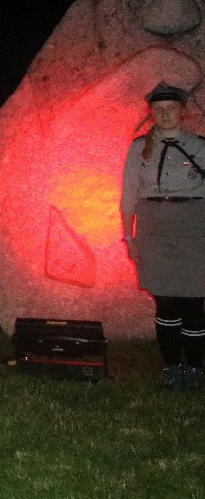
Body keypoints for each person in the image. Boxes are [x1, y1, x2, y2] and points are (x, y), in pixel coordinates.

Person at [120, 81, 205, 390]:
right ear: (151, 113)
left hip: (195, 227)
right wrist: (128, 238)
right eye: (159, 110)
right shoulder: (138, 147)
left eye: (171, 109)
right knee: (165, 301)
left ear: (182, 112)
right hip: (154, 228)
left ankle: (194, 368)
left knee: (195, 301)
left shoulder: (201, 147)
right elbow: (129, 195)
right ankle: (171, 367)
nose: (165, 114)